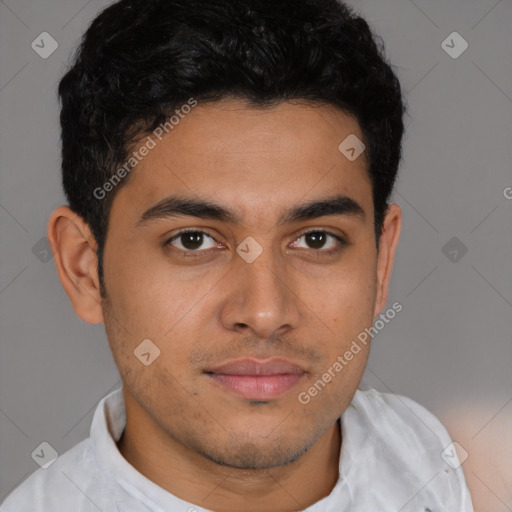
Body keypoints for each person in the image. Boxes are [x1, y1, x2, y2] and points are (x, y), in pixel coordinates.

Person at [0, 0, 474, 510]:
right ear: (84, 271)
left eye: (316, 239)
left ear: (380, 264)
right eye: (193, 240)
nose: (265, 313)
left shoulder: (421, 453)